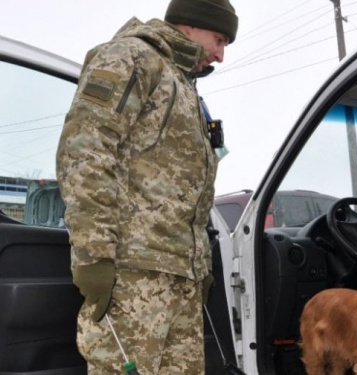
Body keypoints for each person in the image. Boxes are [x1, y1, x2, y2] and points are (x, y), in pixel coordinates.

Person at [56, 0, 238, 373]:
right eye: (219, 39)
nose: (220, 55)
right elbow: (85, 151)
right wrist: (94, 256)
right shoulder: (132, 57)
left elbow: (185, 189)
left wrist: (200, 266)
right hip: (133, 274)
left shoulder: (184, 86)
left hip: (180, 278)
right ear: (190, 25)